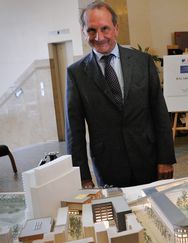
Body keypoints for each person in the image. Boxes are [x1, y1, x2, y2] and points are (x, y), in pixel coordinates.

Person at [65, 1, 176, 188]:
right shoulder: (76, 74)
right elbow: (74, 131)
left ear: (116, 29)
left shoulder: (143, 63)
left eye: (105, 29)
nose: (99, 37)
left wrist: (165, 158)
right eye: (92, 30)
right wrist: (83, 176)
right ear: (84, 33)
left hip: (149, 160)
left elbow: (159, 113)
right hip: (108, 167)